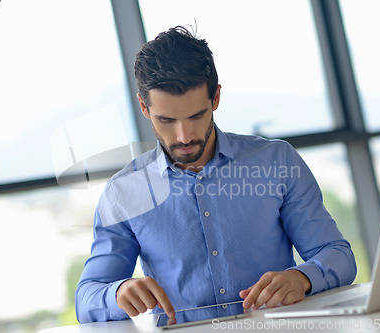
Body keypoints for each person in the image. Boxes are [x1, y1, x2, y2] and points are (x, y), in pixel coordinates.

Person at [75, 25, 356, 323]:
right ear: (144, 108)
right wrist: (117, 292)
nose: (184, 136)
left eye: (196, 116)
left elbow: (337, 255)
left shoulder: (276, 162)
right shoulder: (124, 192)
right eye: (167, 120)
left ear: (215, 98)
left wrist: (302, 277)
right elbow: (86, 298)